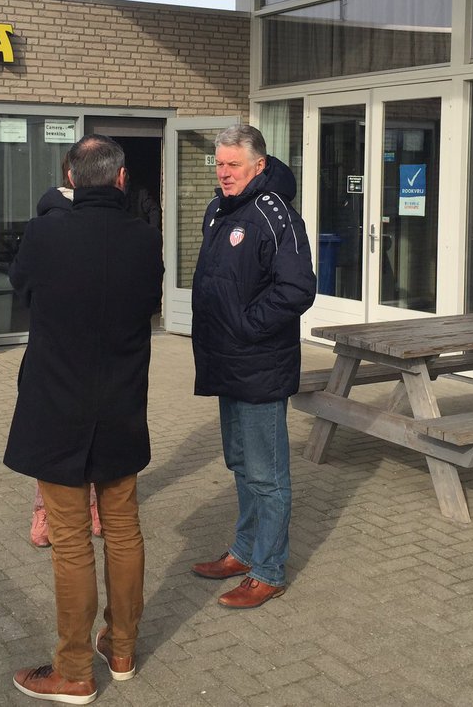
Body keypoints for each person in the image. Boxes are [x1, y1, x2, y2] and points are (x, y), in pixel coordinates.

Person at [6, 134, 164, 704]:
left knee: (71, 540)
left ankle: (73, 672)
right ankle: (121, 649)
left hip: (57, 407)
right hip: (120, 406)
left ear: (71, 178)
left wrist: (54, 206)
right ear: (121, 179)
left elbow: (22, 288)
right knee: (123, 529)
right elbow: (149, 301)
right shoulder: (144, 239)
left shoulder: (45, 232)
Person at [190, 123, 316, 609]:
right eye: (219, 164)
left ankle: (269, 570)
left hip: (260, 363)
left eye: (233, 165)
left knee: (268, 475)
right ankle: (243, 552)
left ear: (258, 165)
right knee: (240, 464)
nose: (223, 173)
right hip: (226, 362)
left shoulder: (276, 214)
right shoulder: (219, 210)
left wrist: (246, 326)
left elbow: (297, 289)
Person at [29, 153, 101, 548]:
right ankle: (45, 513)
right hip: (56, 350)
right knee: (54, 437)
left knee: (95, 434)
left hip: (96, 350)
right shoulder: (50, 222)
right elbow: (25, 283)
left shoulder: (106, 219)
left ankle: (92, 505)